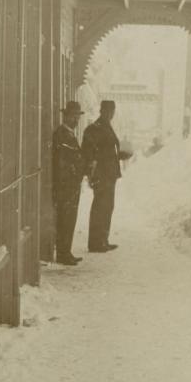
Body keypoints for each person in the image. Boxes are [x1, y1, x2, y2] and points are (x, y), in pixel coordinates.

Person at [82, 100, 132, 253]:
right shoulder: (94, 128)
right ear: (102, 111)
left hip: (109, 174)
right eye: (108, 111)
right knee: (100, 207)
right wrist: (91, 173)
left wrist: (120, 155)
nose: (110, 114)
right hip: (101, 174)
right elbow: (89, 153)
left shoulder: (107, 127)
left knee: (107, 207)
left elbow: (108, 151)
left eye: (112, 111)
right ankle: (95, 243)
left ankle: (103, 239)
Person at [51, 101, 85, 266]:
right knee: (65, 219)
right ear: (67, 116)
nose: (77, 119)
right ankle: (63, 253)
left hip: (71, 185)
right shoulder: (62, 134)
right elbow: (63, 162)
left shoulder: (69, 134)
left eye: (78, 116)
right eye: (74, 116)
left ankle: (66, 251)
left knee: (69, 219)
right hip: (66, 186)